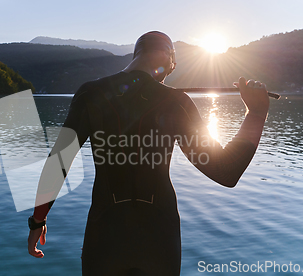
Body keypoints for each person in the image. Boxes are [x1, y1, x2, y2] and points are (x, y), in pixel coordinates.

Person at [27, 31, 270, 275]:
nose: (166, 77)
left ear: (137, 53)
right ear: (167, 56)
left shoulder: (90, 93)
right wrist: (256, 114)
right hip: (159, 239)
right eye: (170, 68)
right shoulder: (176, 101)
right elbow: (226, 171)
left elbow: (58, 162)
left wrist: (38, 220)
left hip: (105, 236)